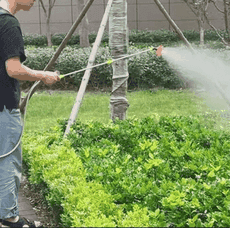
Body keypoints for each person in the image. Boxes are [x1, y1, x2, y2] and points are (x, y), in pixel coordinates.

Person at [0, 0, 60, 227]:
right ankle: (9, 219)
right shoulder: (7, 23)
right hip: (3, 108)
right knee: (7, 162)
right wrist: (43, 75)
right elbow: (13, 69)